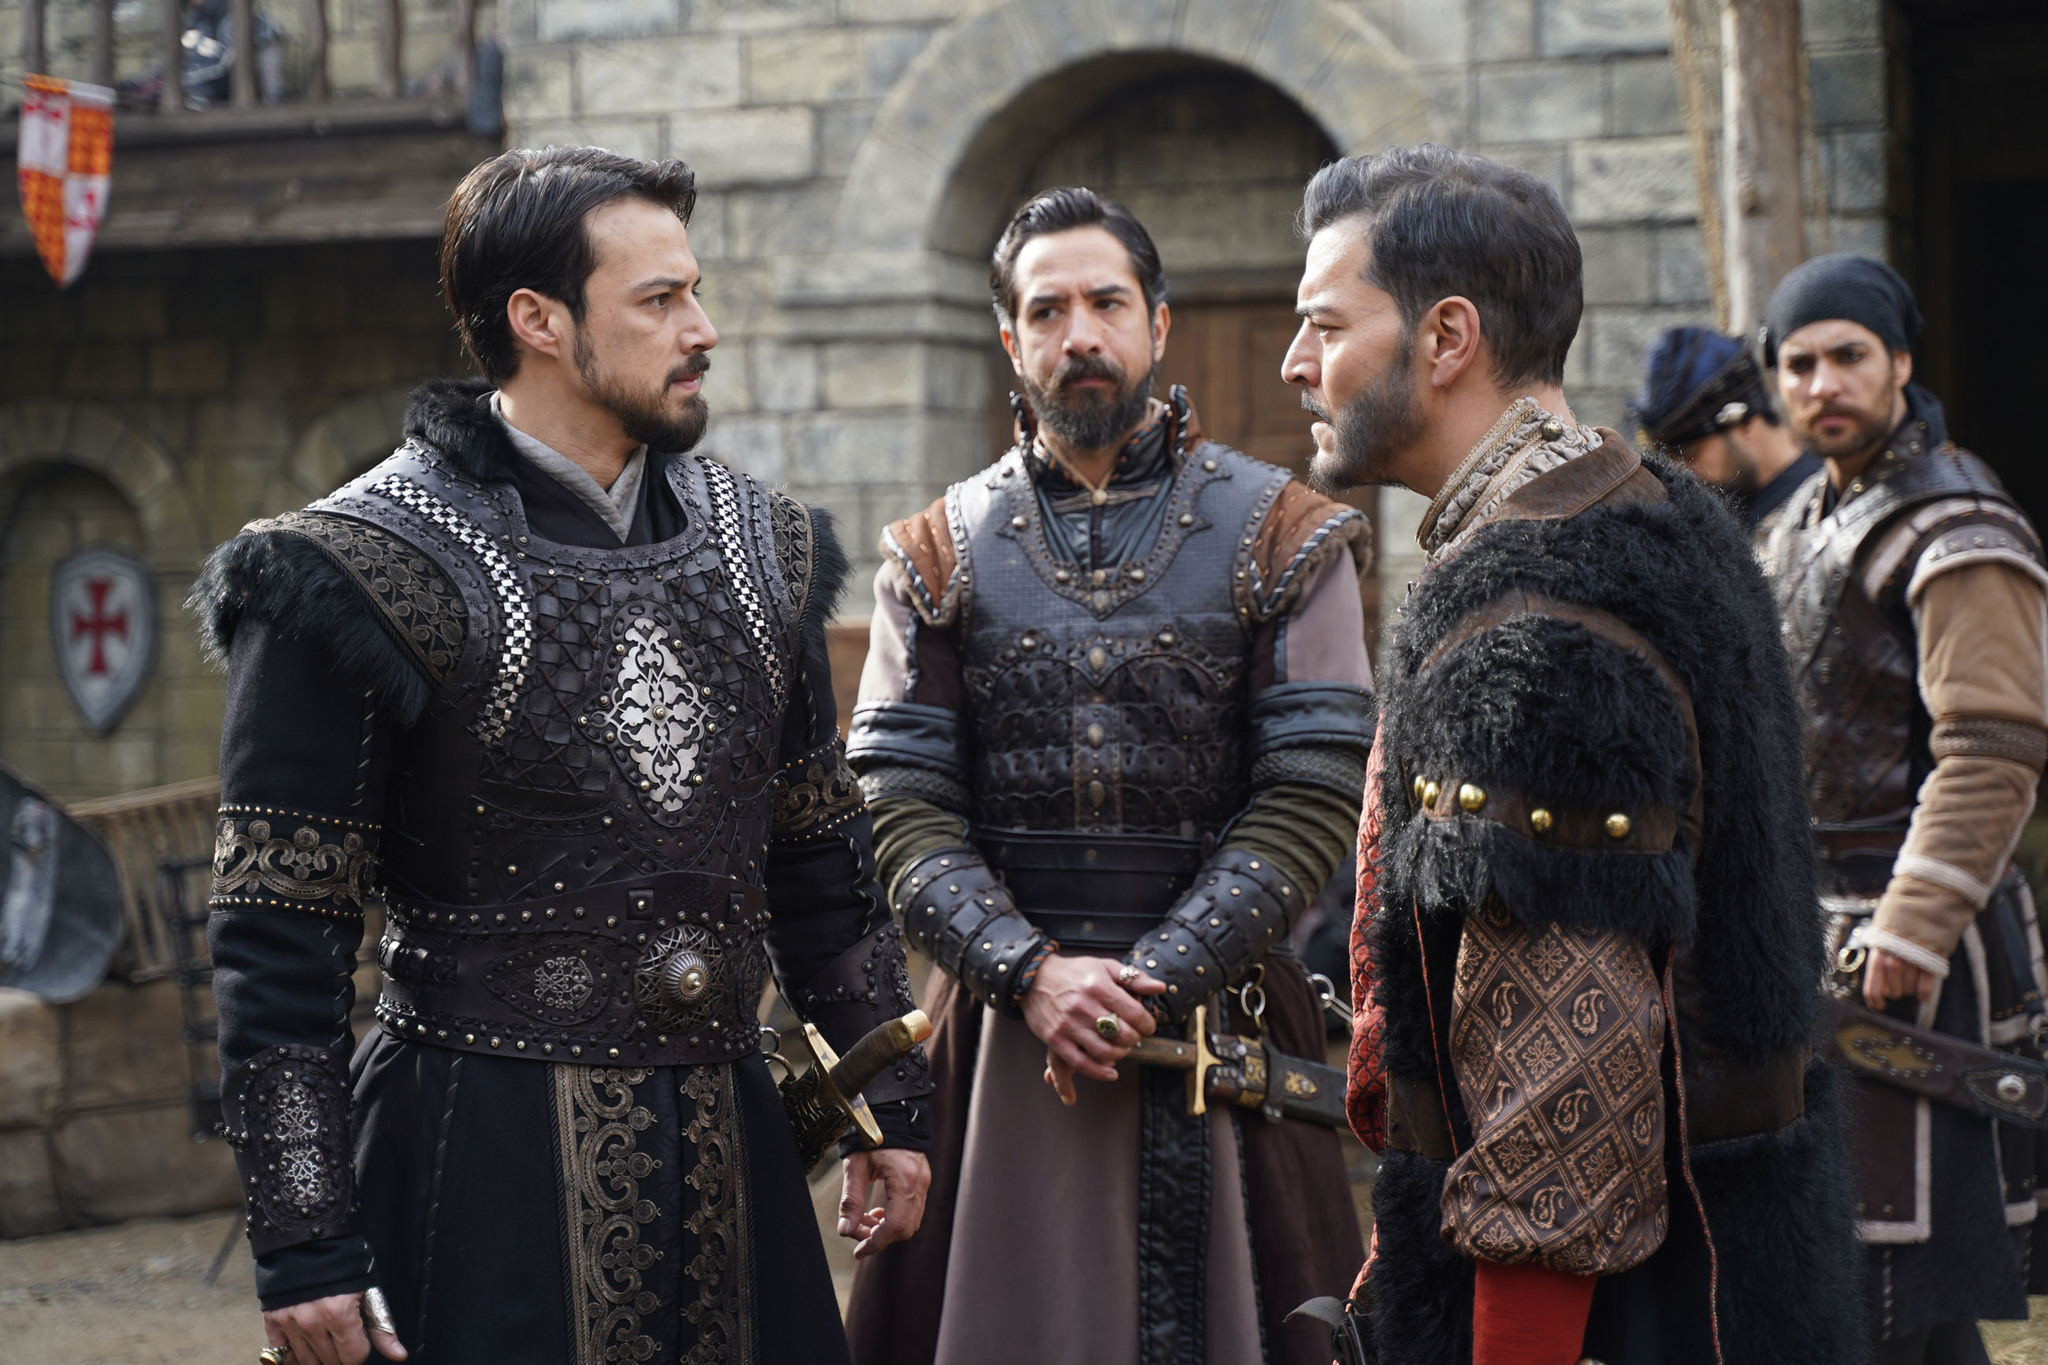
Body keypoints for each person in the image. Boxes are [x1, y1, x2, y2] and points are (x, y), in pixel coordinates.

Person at [191, 146, 931, 1365]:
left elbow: (817, 854)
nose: (700, 330)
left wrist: (885, 1105)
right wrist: (304, 1243)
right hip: (476, 1154)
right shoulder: (354, 570)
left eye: (694, 292)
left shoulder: (767, 547)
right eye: (659, 300)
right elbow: (277, 931)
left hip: (732, 1144)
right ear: (537, 320)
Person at [1298, 146, 1861, 1364]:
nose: (1298, 362)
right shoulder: (1655, 514)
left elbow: (1558, 1127)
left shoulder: (1532, 623)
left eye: (1325, 325)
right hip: (1738, 1274)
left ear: (1445, 337)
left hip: (1629, 1315)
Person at [840, 187, 1372, 1365]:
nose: (1078, 333)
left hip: (1222, 1025)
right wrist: (1031, 975)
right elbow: (897, 808)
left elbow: (1310, 791)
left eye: (1105, 303)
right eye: (1047, 310)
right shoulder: (932, 553)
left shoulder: (1283, 534)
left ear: (1156, 323)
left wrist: (1149, 979)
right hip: (999, 1035)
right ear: (1009, 339)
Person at [1759, 252, 2048, 1365]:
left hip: (1913, 945)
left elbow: (1993, 746)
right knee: (1861, 1284)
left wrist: (1912, 926)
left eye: (1848, 356)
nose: (1822, 383)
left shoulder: (1955, 523)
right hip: (1818, 928)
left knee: (1890, 1287)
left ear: (1900, 363)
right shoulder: (1800, 519)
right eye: (1799, 364)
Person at [1628, 325, 1821, 544]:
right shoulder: (1714, 520)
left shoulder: (1821, 510)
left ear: (1746, 423)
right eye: (1668, 457)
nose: (1679, 471)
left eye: (1690, 454)